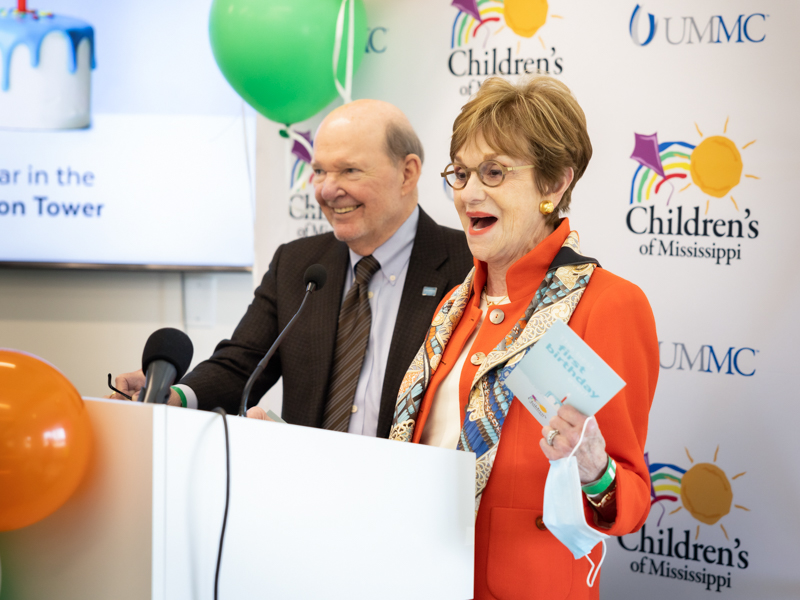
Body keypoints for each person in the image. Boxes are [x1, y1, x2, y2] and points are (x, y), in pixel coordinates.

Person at [388, 76, 658, 599]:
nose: (469, 193)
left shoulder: (608, 304)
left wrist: (594, 470)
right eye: (461, 173)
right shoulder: (453, 305)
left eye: (494, 172)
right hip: (418, 577)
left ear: (554, 184)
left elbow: (628, 503)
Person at [110, 100, 473, 438]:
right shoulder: (297, 264)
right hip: (303, 489)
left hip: (415, 494)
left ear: (407, 174)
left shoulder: (469, 266)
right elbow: (241, 366)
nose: (328, 190)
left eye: (349, 170)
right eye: (318, 171)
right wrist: (170, 396)